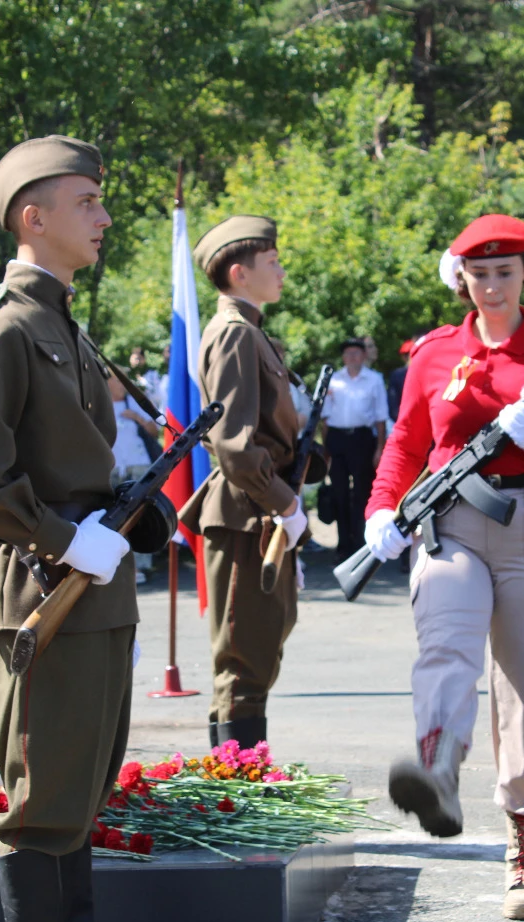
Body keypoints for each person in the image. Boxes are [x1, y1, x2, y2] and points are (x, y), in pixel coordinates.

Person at [0, 133, 173, 922]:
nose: (105, 216)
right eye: (88, 201)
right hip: (47, 587)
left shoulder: (66, 325)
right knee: (39, 805)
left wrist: (125, 520)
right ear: (34, 216)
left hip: (93, 587)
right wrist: (60, 535)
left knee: (76, 800)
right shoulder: (5, 326)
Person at [365, 214, 524, 921]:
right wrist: (381, 510)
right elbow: (407, 441)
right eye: (480, 273)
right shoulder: (435, 353)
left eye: (506, 272)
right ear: (462, 279)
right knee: (445, 642)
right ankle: (438, 767)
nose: (493, 285)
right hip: (453, 527)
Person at [177, 215, 310, 749]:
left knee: (261, 646)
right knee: (243, 658)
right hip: (247, 513)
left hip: (260, 510)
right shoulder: (235, 335)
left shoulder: (252, 331)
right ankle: (237, 785)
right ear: (239, 272)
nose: (281, 270)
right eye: (272, 263)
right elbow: (234, 444)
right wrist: (284, 505)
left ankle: (241, 774)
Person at [320, 338, 389, 561]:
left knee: (362, 492)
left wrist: (380, 448)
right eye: (348, 353)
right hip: (338, 438)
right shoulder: (333, 380)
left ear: (363, 356)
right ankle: (343, 544)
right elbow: (325, 418)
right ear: (343, 357)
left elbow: (380, 416)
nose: (352, 357)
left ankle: (361, 542)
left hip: (362, 438)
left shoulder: (374, 379)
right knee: (339, 492)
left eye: (356, 353)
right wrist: (325, 447)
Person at [108, 372, 158, 584]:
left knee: (138, 517)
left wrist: (137, 417)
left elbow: (155, 430)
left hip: (139, 467)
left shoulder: (133, 403)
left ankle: (140, 567)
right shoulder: (101, 405)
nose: (122, 384)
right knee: (113, 518)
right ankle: (115, 565)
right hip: (112, 469)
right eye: (118, 380)